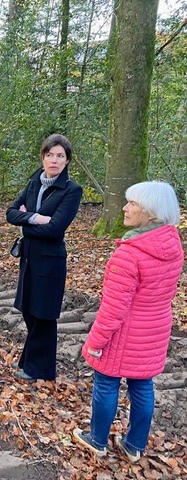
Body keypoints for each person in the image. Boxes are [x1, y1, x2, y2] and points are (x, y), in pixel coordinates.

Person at [73, 181, 183, 462]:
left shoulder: (129, 254)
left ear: (150, 212)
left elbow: (113, 309)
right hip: (155, 329)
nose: (125, 208)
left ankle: (97, 440)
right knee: (142, 384)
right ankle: (135, 445)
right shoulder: (173, 247)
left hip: (124, 335)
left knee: (107, 383)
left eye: (132, 203)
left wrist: (95, 343)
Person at [6, 133, 82, 381]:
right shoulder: (34, 184)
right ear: (43, 157)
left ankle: (40, 369)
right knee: (28, 311)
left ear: (67, 161)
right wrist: (35, 218)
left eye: (60, 156)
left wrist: (25, 223)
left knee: (44, 314)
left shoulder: (71, 190)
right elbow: (10, 213)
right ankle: (31, 363)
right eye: (50, 155)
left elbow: (56, 229)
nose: (54, 160)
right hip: (28, 258)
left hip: (50, 260)